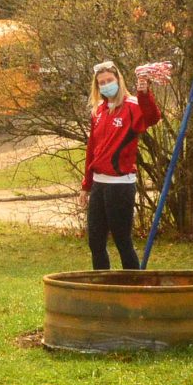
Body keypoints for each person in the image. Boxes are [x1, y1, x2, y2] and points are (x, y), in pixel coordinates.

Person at [82, 61, 161, 270]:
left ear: (118, 80)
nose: (106, 85)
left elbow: (153, 118)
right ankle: (103, 287)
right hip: (99, 183)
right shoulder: (98, 111)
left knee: (122, 241)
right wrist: (86, 185)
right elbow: (92, 149)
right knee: (95, 241)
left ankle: (133, 287)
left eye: (109, 80)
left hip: (120, 184)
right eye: (101, 83)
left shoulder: (132, 105)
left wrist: (145, 94)